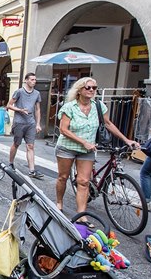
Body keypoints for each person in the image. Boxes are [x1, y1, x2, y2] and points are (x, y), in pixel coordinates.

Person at [55, 77, 138, 219]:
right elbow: (64, 130)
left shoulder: (98, 106)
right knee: (63, 177)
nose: (92, 90)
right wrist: (83, 142)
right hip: (67, 147)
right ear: (79, 90)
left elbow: (108, 124)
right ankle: (59, 203)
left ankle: (81, 214)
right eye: (88, 87)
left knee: (84, 181)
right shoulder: (69, 107)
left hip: (87, 150)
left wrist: (126, 139)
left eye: (94, 88)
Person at [6, 73, 44, 179]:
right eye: (32, 79)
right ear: (26, 80)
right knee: (16, 144)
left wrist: (38, 124)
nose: (34, 81)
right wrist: (20, 110)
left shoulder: (37, 93)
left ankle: (32, 170)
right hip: (19, 122)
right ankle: (11, 162)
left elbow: (37, 109)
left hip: (31, 123)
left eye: (35, 80)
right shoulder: (19, 92)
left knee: (30, 146)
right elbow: (8, 105)